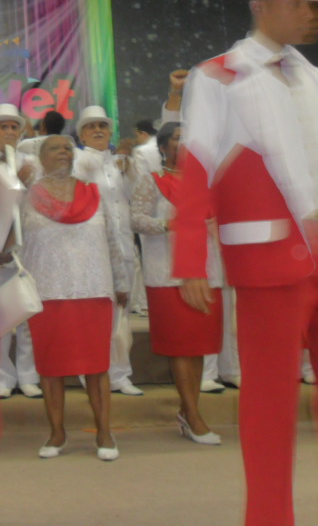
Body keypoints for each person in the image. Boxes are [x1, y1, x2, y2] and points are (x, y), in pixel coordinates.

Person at [173, 0, 318, 526]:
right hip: (268, 256)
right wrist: (190, 261)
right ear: (262, 5)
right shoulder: (218, 76)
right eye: (304, 3)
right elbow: (197, 170)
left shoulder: (312, 76)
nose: (315, 15)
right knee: (270, 406)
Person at [17, 135, 128, 461]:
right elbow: (10, 241)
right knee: (51, 367)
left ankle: (104, 432)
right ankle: (57, 433)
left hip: (93, 288)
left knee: (96, 366)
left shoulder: (93, 192)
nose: (63, 151)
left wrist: (121, 281)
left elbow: (112, 240)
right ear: (41, 158)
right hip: (48, 291)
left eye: (67, 147)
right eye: (55, 148)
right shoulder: (27, 196)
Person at [130, 122, 223, 444]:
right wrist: (169, 224)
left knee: (199, 346)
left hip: (207, 271)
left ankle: (188, 410)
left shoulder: (207, 182)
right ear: (163, 147)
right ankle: (193, 415)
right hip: (168, 274)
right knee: (181, 347)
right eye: (178, 140)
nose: (185, 145)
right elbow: (136, 219)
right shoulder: (152, 180)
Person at [72, 105, 142, 396]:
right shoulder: (76, 161)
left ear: (111, 132)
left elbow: (137, 198)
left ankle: (120, 374)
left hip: (124, 247)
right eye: (91, 126)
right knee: (94, 315)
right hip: (93, 252)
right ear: (82, 135)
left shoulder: (121, 163)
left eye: (102, 125)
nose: (98, 130)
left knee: (121, 315)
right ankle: (90, 372)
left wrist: (130, 169)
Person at [0, 102, 41, 400]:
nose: (8, 131)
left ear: (21, 131)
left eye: (13, 127)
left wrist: (28, 183)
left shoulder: (33, 164)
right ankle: (2, 377)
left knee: (28, 308)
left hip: (30, 246)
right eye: (2, 127)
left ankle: (29, 376)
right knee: (1, 312)